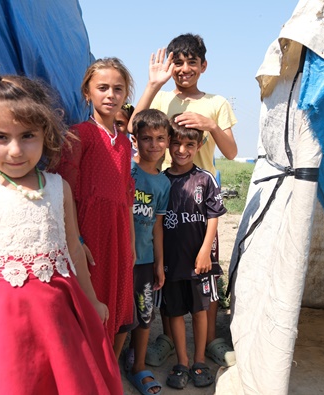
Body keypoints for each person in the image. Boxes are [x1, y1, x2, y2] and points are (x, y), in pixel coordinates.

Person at [0, 63, 122, 394]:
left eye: (28, 136)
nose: (15, 150)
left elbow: (73, 249)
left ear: (46, 134)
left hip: (55, 323)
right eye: (1, 137)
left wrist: (91, 300)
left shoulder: (59, 189)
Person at [131, 33, 237, 368]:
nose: (185, 68)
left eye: (192, 62)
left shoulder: (216, 103)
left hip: (201, 199)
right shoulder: (161, 99)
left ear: (203, 66)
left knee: (206, 269)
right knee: (168, 270)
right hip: (164, 195)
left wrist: (211, 125)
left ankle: (208, 343)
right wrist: (151, 85)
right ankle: (166, 337)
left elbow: (232, 151)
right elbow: (134, 125)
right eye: (178, 61)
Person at [56, 57, 136, 359]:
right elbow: (65, 194)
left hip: (116, 235)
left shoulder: (125, 143)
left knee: (114, 306)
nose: (110, 95)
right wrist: (76, 240)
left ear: (125, 95)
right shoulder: (78, 135)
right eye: (102, 87)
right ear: (87, 93)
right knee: (89, 306)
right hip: (87, 234)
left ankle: (106, 371)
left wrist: (129, 243)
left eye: (118, 88)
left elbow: (126, 196)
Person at [160, 117, 226, 389]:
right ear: (168, 145)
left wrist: (205, 255)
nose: (182, 150)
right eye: (176, 143)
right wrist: (159, 261)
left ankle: (199, 360)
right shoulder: (161, 181)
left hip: (200, 263)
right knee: (174, 312)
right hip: (171, 263)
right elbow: (156, 225)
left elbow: (213, 218)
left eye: (189, 144)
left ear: (199, 145)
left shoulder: (205, 179)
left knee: (200, 311)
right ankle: (182, 362)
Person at [125, 109, 171, 395]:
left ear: (167, 141)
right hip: (119, 257)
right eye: (146, 138)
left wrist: (159, 263)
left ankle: (138, 365)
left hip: (144, 261)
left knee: (144, 314)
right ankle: (107, 362)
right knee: (117, 315)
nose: (153, 145)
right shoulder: (126, 170)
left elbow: (157, 226)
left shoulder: (163, 183)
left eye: (160, 138)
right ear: (136, 140)